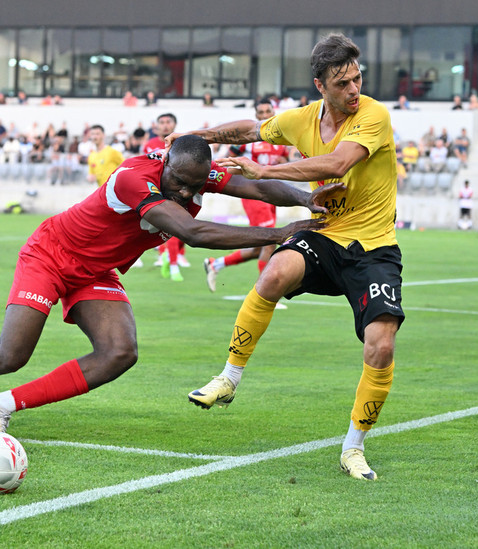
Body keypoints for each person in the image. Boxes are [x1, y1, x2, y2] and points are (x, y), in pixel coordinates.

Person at [0, 135, 334, 435]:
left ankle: (2, 405)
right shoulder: (132, 178)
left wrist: (305, 198)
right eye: (179, 182)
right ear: (165, 163)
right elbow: (192, 233)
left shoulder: (201, 178)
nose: (185, 192)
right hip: (50, 255)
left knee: (120, 352)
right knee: (7, 356)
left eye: (195, 185)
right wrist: (278, 234)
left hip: (96, 270)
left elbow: (255, 187)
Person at [167, 33, 404, 481]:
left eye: (357, 79)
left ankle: (353, 447)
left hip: (374, 247)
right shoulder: (300, 120)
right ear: (321, 86)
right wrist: (199, 136)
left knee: (382, 344)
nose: (354, 90)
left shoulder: (374, 115)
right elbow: (249, 130)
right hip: (326, 233)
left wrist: (265, 169)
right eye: (342, 84)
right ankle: (229, 379)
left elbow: (337, 164)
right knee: (275, 270)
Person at [204, 99, 291, 292]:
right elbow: (227, 158)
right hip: (255, 193)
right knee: (269, 241)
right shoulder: (249, 141)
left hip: (273, 194)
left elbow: (287, 159)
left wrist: (282, 160)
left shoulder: (280, 139)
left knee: (259, 248)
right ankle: (265, 293)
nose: (265, 115)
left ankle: (215, 264)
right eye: (261, 112)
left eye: (268, 111)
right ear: (256, 115)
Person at [142, 113, 187, 280]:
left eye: (168, 122)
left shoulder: (182, 143)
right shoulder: (150, 145)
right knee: (168, 226)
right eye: (162, 122)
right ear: (157, 126)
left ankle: (172, 259)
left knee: (178, 226)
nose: (165, 125)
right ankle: (171, 261)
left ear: (174, 124)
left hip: (177, 190)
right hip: (155, 190)